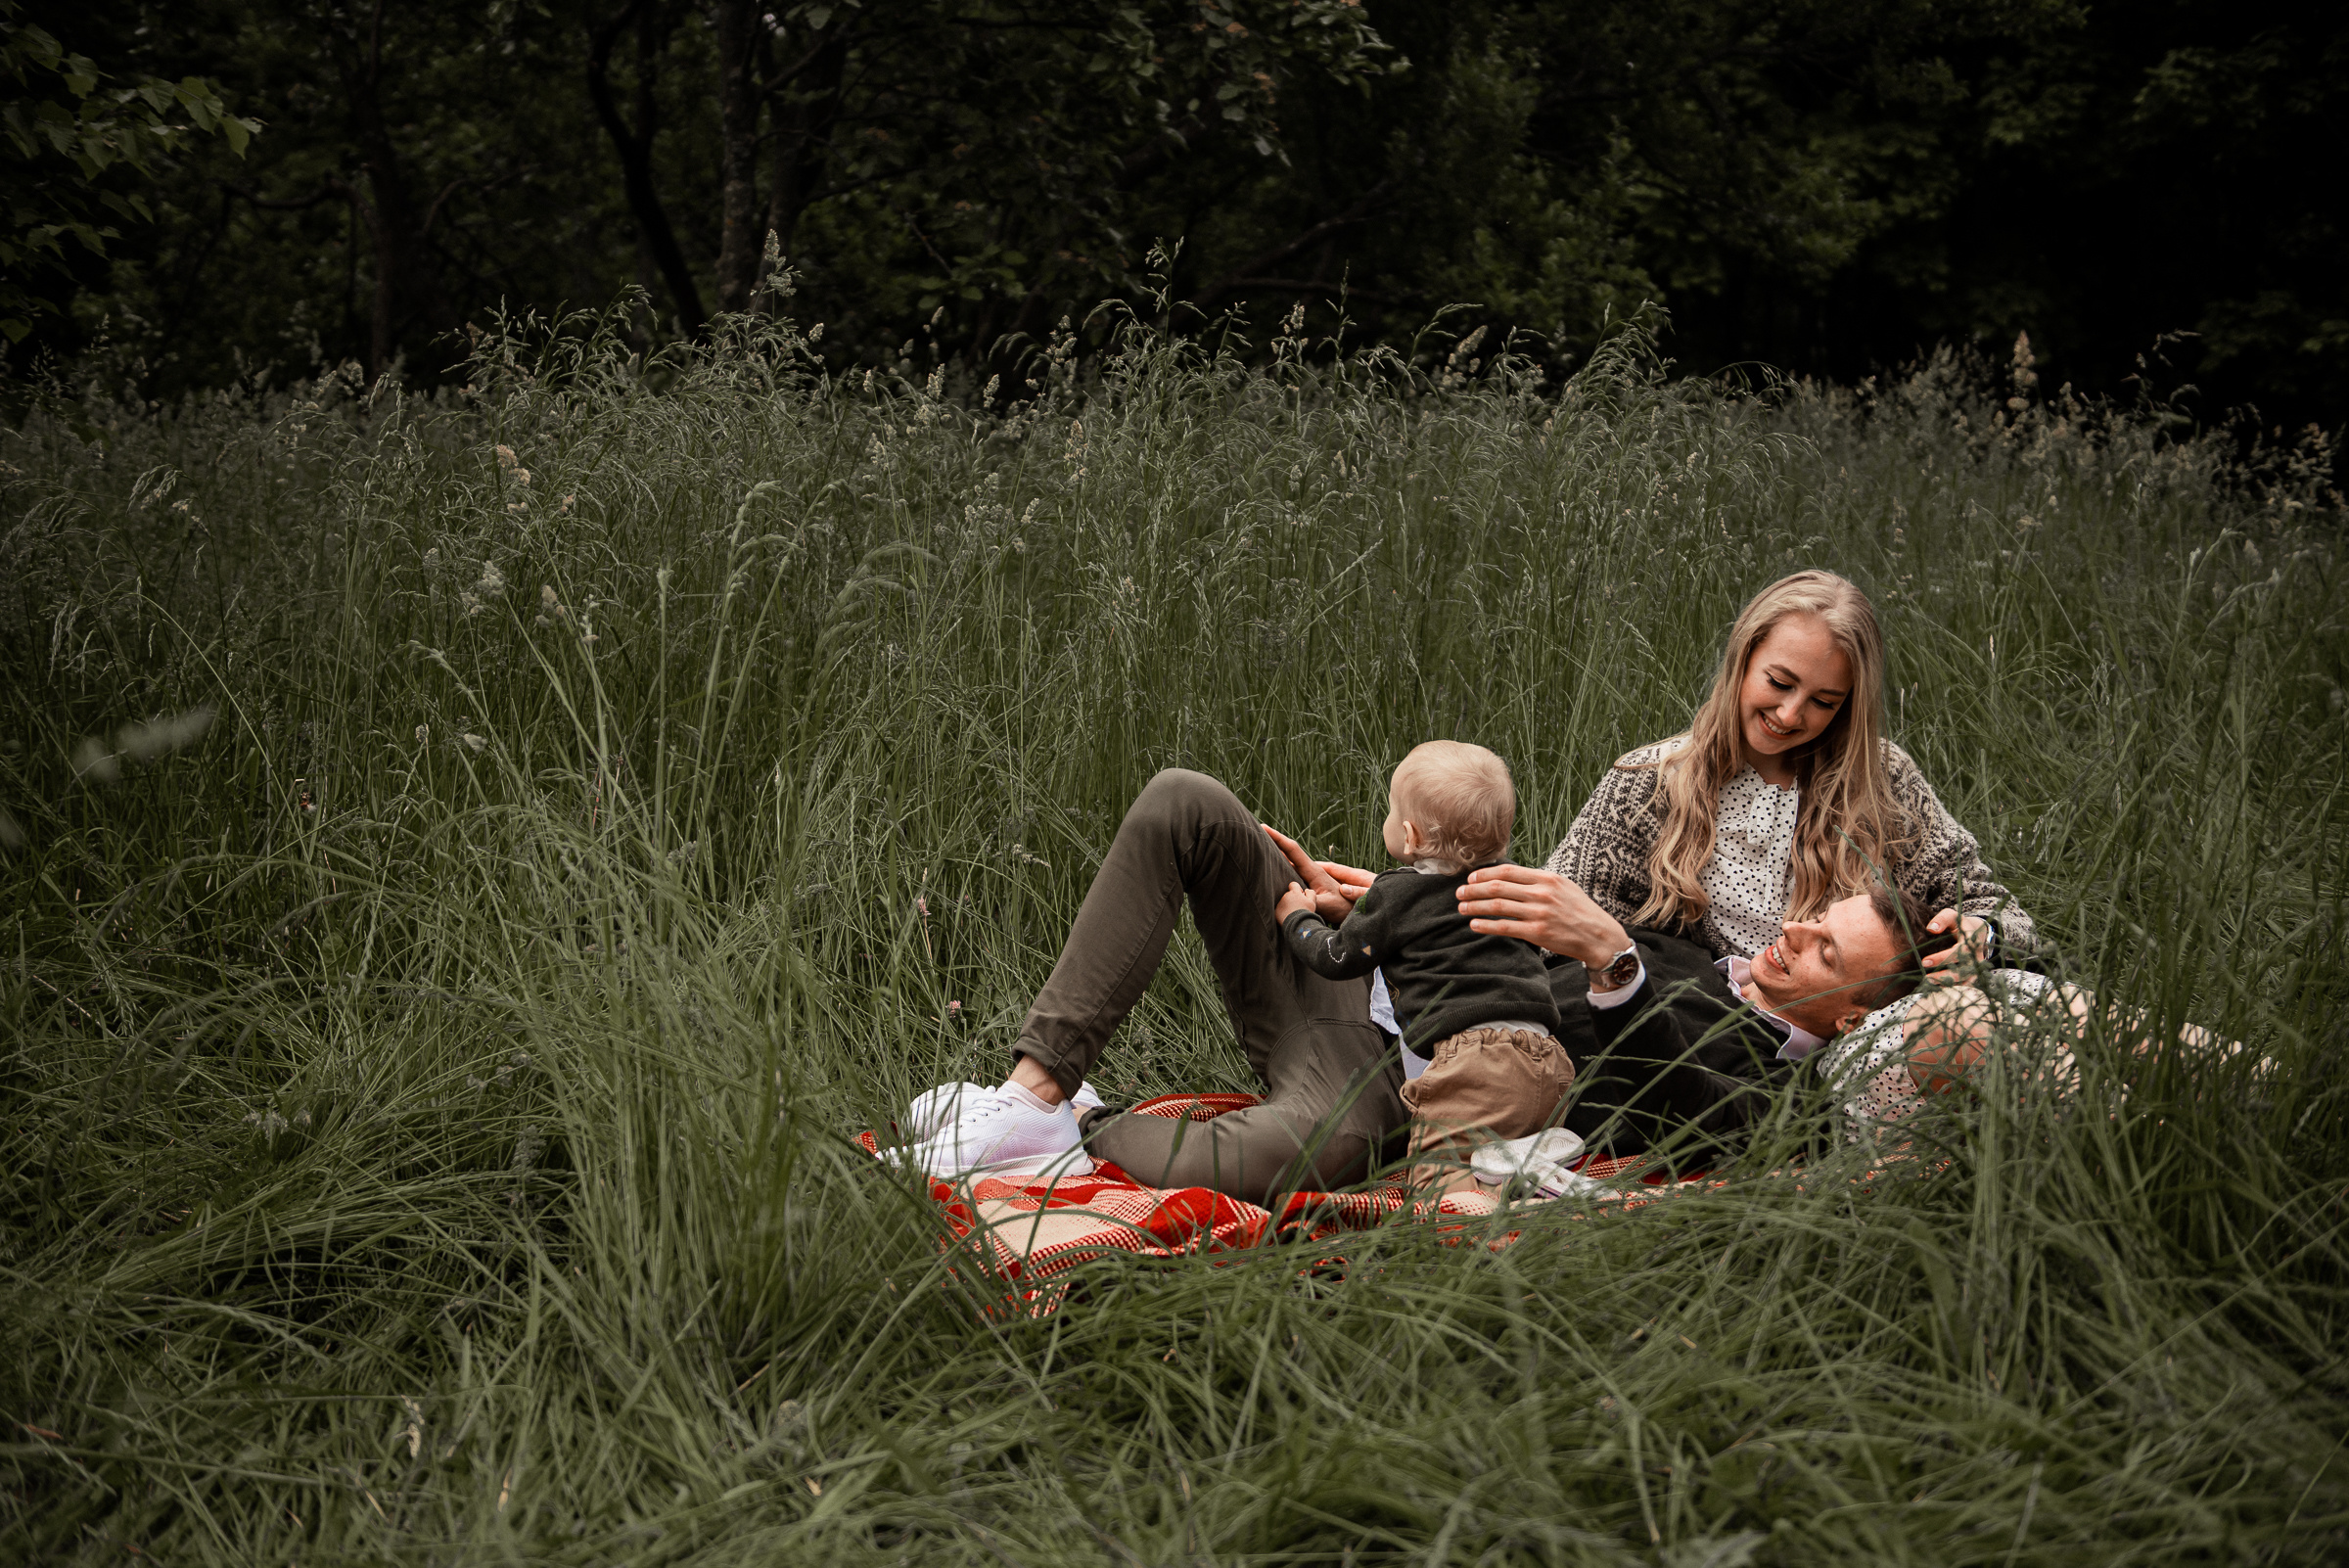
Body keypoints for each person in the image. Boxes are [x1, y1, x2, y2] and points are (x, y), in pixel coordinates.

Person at [1441, 568, 2039, 1154]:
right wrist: (1419, 898)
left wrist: (1977, 933)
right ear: (1743, 658)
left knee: (2010, 1006)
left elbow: (2002, 914)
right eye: (1779, 682)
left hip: (1848, 1047)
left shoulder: (1882, 781)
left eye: (1824, 702)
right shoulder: (1647, 783)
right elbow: (1556, 925)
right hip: (1706, 1040)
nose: (1791, 715)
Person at [1276, 741, 1570, 1193]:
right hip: (1547, 1058)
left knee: (1436, 1184)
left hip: (1475, 1064)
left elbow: (1337, 958)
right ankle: (1532, 1173)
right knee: (1486, 1167)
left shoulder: (1395, 895)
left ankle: (1506, 1214)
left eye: (1391, 810)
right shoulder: (1507, 886)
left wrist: (1298, 918)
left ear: (1410, 836)